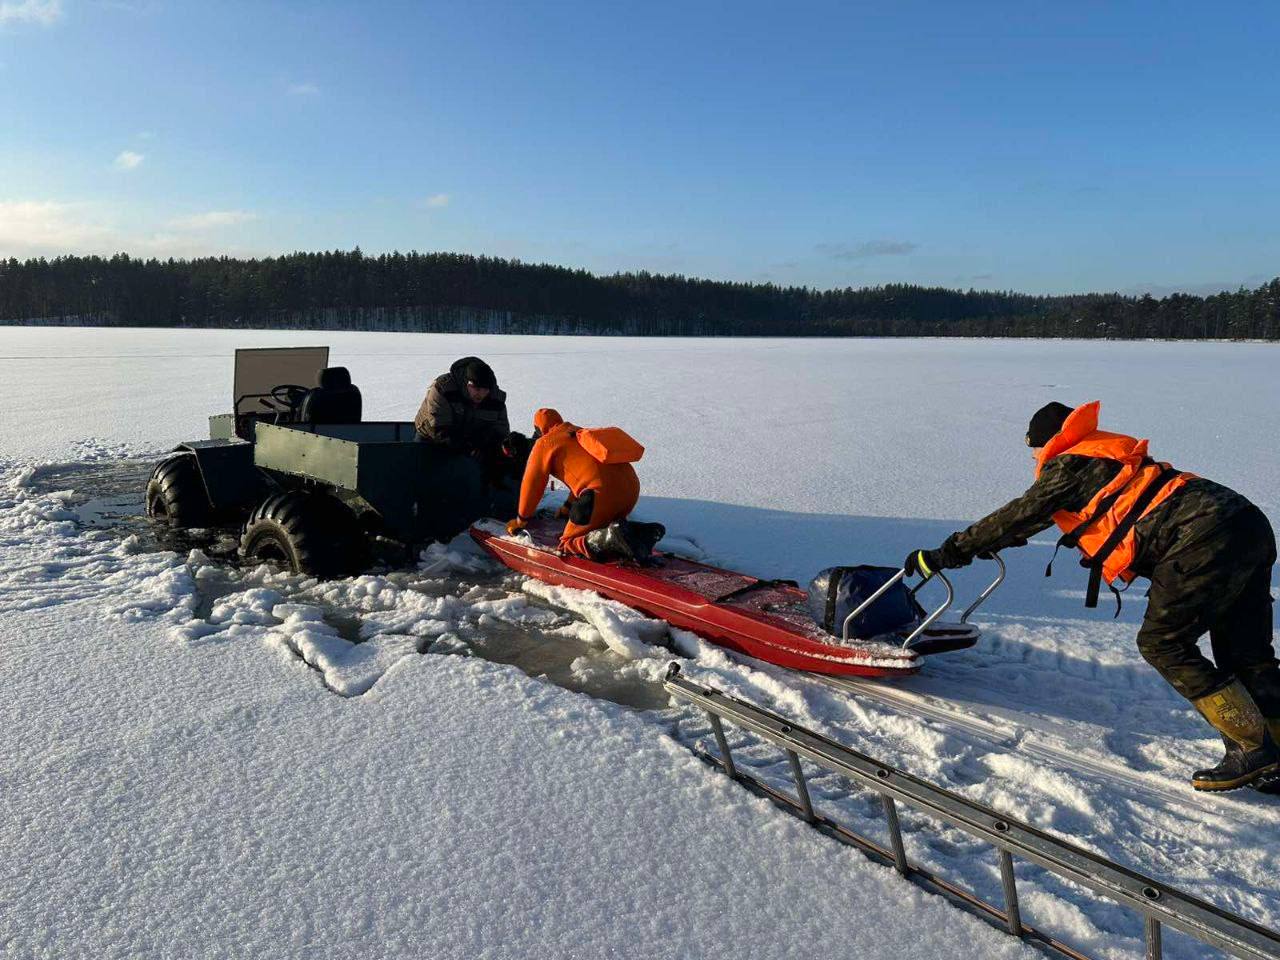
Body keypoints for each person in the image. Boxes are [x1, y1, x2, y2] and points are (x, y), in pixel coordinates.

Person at [904, 400, 1279, 793]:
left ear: (1048, 441)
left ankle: (1251, 747)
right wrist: (1003, 538)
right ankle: (1275, 751)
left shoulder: (1069, 464)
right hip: (1245, 521)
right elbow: (1046, 517)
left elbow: (1018, 514)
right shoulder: (1101, 454)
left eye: (1033, 447)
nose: (1033, 456)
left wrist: (946, 553)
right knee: (1247, 652)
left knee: (1163, 643)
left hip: (1200, 537)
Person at [507, 408, 642, 558]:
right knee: (600, 520)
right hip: (631, 491)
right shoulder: (578, 432)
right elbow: (583, 476)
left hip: (600, 496)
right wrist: (567, 507)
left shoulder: (544, 443)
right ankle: (637, 533)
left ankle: (607, 539)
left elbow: (532, 485)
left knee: (568, 543)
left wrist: (521, 520)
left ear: (539, 429)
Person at [414, 357, 509, 456]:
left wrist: (503, 444)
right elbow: (440, 429)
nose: (481, 394)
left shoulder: (495, 399)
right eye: (477, 389)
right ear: (467, 383)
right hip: (431, 437)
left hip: (472, 440)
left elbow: (501, 431)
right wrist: (467, 448)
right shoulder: (443, 389)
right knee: (422, 462)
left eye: (485, 390)